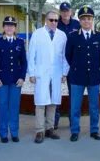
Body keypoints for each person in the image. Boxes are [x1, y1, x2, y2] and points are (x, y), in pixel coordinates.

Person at [28, 11, 69, 144]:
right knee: (40, 102)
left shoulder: (62, 35)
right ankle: (39, 130)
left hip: (56, 73)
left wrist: (64, 73)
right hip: (41, 73)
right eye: (51, 20)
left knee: (53, 101)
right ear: (46, 20)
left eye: (56, 20)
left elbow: (64, 56)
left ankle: (50, 128)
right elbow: (31, 54)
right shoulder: (37, 34)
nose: (53, 23)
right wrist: (32, 73)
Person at [65, 6, 100, 142]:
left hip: (93, 76)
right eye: (83, 19)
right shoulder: (72, 36)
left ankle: (94, 130)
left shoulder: (99, 37)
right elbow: (68, 55)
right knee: (75, 106)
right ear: (80, 21)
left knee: (94, 106)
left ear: (93, 20)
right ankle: (75, 131)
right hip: (77, 76)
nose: (86, 21)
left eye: (89, 19)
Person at [0, 16, 27, 143]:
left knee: (14, 107)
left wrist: (22, 77)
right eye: (7, 25)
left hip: (16, 81)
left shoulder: (20, 42)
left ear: (15, 28)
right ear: (3, 27)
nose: (9, 27)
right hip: (1, 80)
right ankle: (3, 133)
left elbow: (24, 62)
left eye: (12, 25)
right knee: (2, 107)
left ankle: (14, 132)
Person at [55, 2, 80, 129]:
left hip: (72, 65)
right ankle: (54, 121)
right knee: (55, 93)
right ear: (60, 12)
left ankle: (73, 122)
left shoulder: (77, 24)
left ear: (71, 11)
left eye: (67, 10)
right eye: (63, 10)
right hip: (57, 64)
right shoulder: (55, 23)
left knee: (73, 95)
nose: (65, 13)